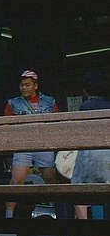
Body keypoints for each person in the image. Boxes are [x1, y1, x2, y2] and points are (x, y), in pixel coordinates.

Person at [3, 70, 59, 218]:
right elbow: (6, 125)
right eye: (21, 85)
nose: (23, 88)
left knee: (51, 179)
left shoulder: (50, 102)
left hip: (44, 144)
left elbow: (57, 123)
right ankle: (9, 216)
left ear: (36, 86)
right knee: (16, 180)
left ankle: (58, 213)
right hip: (23, 145)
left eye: (27, 85)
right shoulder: (13, 103)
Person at [71, 70, 110, 219]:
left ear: (86, 89)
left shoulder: (85, 106)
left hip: (92, 163)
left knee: (76, 183)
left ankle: (84, 222)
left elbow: (81, 139)